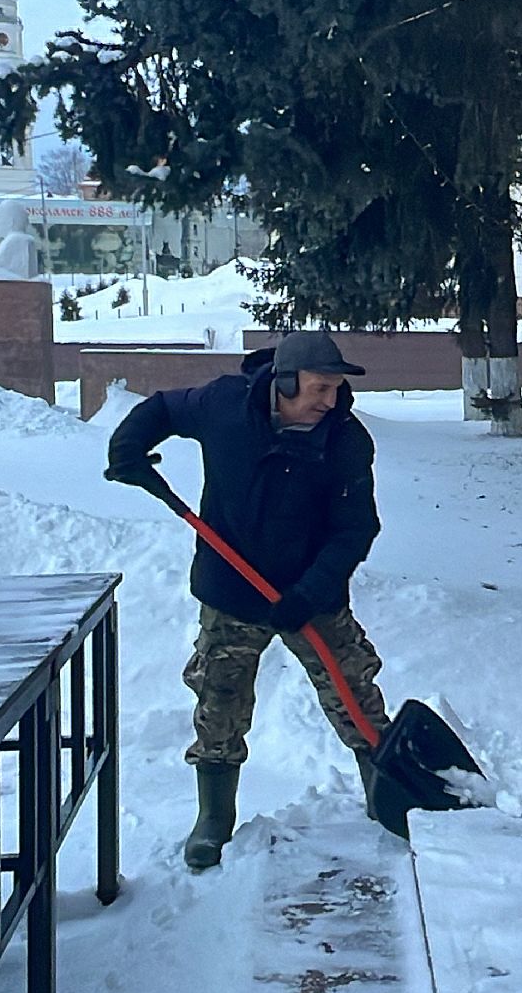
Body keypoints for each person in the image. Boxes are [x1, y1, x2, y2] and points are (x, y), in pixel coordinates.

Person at [105, 331, 392, 870]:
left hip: (312, 595)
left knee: (354, 690)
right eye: (319, 388)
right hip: (232, 590)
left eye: (336, 389)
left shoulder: (345, 440)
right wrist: (127, 447)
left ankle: (385, 796)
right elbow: (164, 408)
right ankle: (213, 818)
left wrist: (309, 592)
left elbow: (355, 529)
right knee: (219, 699)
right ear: (284, 381)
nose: (329, 401)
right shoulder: (224, 405)